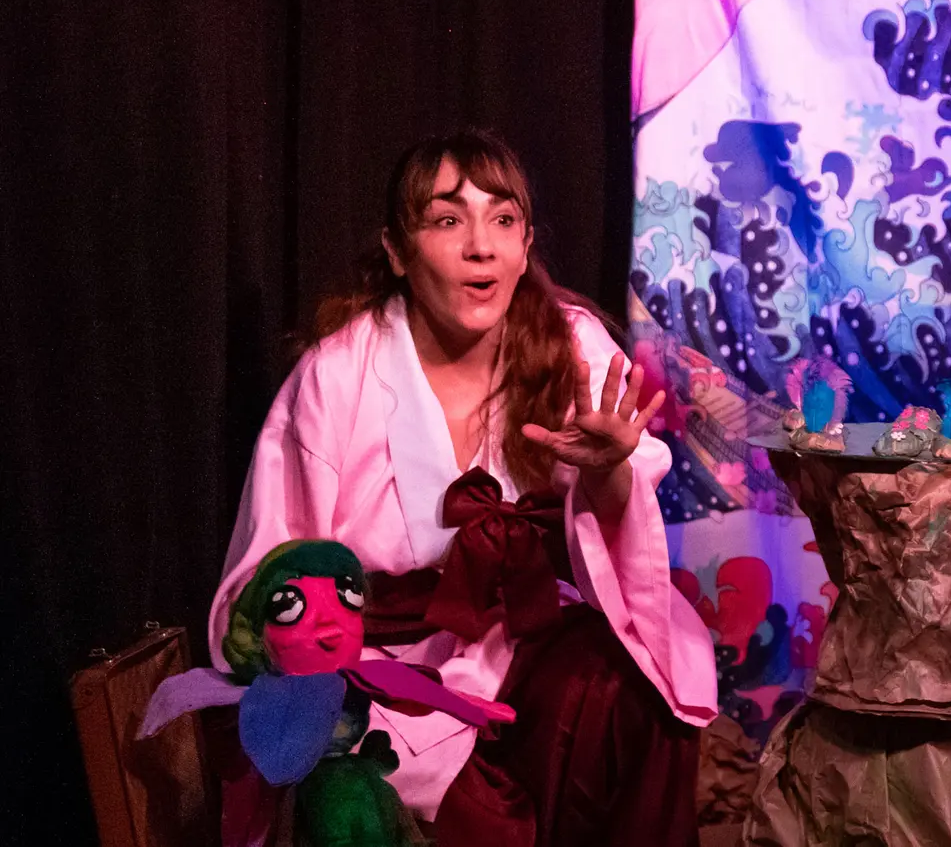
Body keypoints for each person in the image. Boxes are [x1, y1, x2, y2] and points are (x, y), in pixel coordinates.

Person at [210, 128, 717, 845]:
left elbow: (620, 536)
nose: (481, 246)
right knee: (469, 816)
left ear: (525, 245)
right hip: (380, 668)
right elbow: (273, 573)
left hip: (521, 636)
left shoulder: (570, 348)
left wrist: (605, 469)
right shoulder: (336, 377)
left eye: (502, 220)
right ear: (398, 251)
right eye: (448, 220)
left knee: (633, 694)